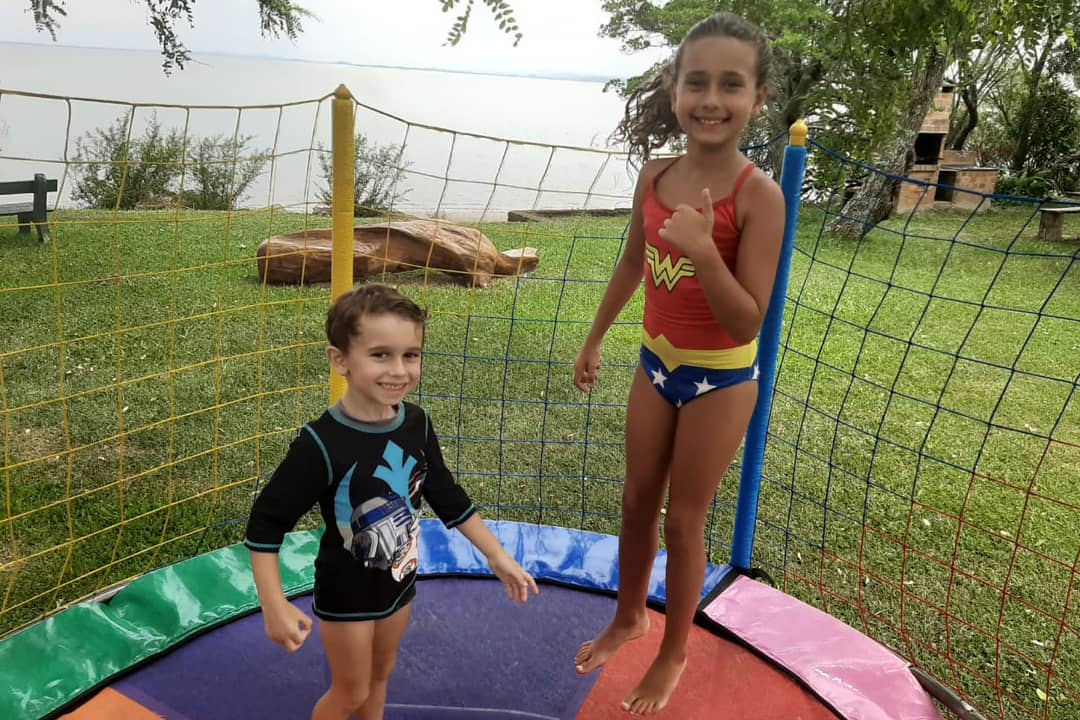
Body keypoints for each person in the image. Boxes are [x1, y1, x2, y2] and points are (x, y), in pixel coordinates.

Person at [571, 12, 785, 717]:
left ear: (758, 98)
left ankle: (673, 652)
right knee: (637, 499)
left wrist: (703, 251)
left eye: (731, 84)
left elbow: (747, 319)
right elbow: (633, 264)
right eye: (697, 82)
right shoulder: (656, 175)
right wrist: (596, 337)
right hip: (655, 365)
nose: (711, 99)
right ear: (674, 90)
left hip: (721, 381)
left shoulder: (759, 196)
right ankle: (630, 616)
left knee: (684, 521)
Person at [244, 283, 539, 720]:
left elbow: (445, 492)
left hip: (399, 583)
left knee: (381, 673)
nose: (399, 370)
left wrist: (496, 555)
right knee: (351, 691)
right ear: (340, 360)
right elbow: (266, 524)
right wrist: (274, 605)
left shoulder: (417, 424)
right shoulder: (321, 444)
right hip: (346, 595)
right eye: (380, 355)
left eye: (411, 355)